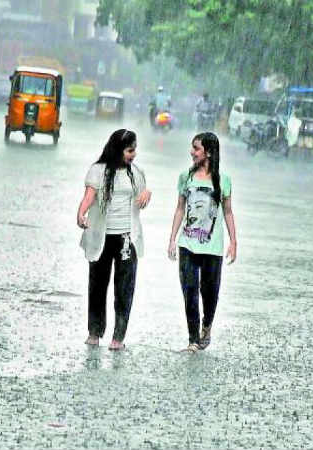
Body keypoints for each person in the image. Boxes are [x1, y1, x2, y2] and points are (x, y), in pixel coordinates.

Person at [77, 129, 152, 351]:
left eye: (135, 150)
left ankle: (118, 337)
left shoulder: (136, 172)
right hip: (101, 236)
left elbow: (143, 193)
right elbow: (89, 197)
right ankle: (94, 331)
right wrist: (80, 214)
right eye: (130, 150)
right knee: (97, 286)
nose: (133, 154)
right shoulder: (98, 171)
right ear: (118, 149)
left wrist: (148, 194)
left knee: (124, 288)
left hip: (127, 238)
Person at [167, 132, 237, 353]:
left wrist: (233, 242)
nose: (192, 152)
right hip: (187, 244)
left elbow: (227, 212)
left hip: (212, 247)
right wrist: (172, 239)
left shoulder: (223, 181)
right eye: (192, 147)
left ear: (208, 152)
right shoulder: (185, 177)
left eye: (196, 148)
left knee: (210, 292)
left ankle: (207, 326)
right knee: (189, 290)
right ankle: (193, 339)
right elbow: (180, 208)